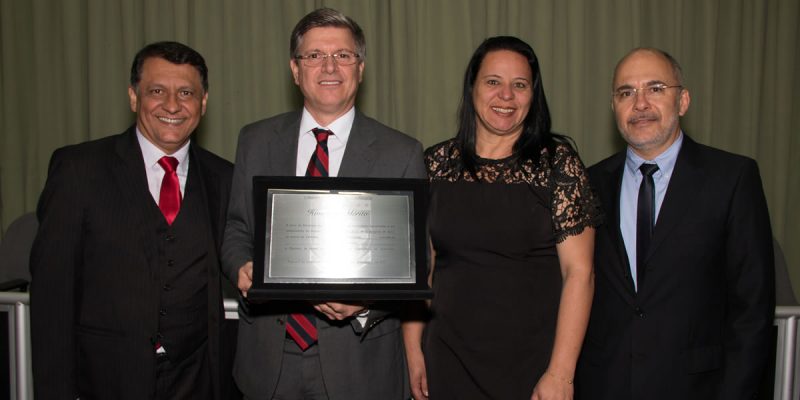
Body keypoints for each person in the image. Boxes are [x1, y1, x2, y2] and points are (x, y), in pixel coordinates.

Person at [221, 8, 426, 400]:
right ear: (295, 70)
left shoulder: (401, 153)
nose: (329, 66)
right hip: (268, 361)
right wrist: (242, 267)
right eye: (314, 55)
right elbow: (236, 229)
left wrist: (365, 304)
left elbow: (417, 263)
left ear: (360, 68)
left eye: (343, 55)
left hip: (359, 366)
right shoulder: (255, 140)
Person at [29, 41, 233, 400]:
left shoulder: (224, 178)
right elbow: (52, 299)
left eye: (186, 93)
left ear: (203, 102)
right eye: (157, 91)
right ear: (133, 97)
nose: (173, 105)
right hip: (104, 381)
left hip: (198, 381)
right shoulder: (79, 170)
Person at [402, 36, 601, 400]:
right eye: (493, 81)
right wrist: (413, 350)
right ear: (472, 88)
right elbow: (421, 272)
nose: (506, 95)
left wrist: (561, 374)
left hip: (532, 365)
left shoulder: (558, 165)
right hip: (446, 360)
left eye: (519, 85)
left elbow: (580, 274)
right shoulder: (435, 164)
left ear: (533, 95)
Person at [575, 48, 775, 400]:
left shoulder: (732, 179)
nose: (640, 104)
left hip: (698, 388)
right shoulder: (587, 183)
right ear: (614, 107)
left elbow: (752, 309)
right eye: (626, 92)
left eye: (655, 88)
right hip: (606, 385)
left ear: (682, 101)